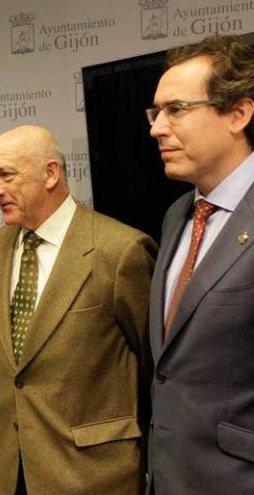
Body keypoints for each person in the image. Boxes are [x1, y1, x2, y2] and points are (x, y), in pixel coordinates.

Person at [0, 125, 156, 494]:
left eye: (6, 175)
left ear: (50, 173)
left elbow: (153, 367)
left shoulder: (120, 250)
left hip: (94, 473)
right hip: (12, 470)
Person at [147, 34, 254, 494]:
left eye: (177, 110)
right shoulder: (177, 215)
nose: (156, 128)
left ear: (238, 113)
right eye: (156, 113)